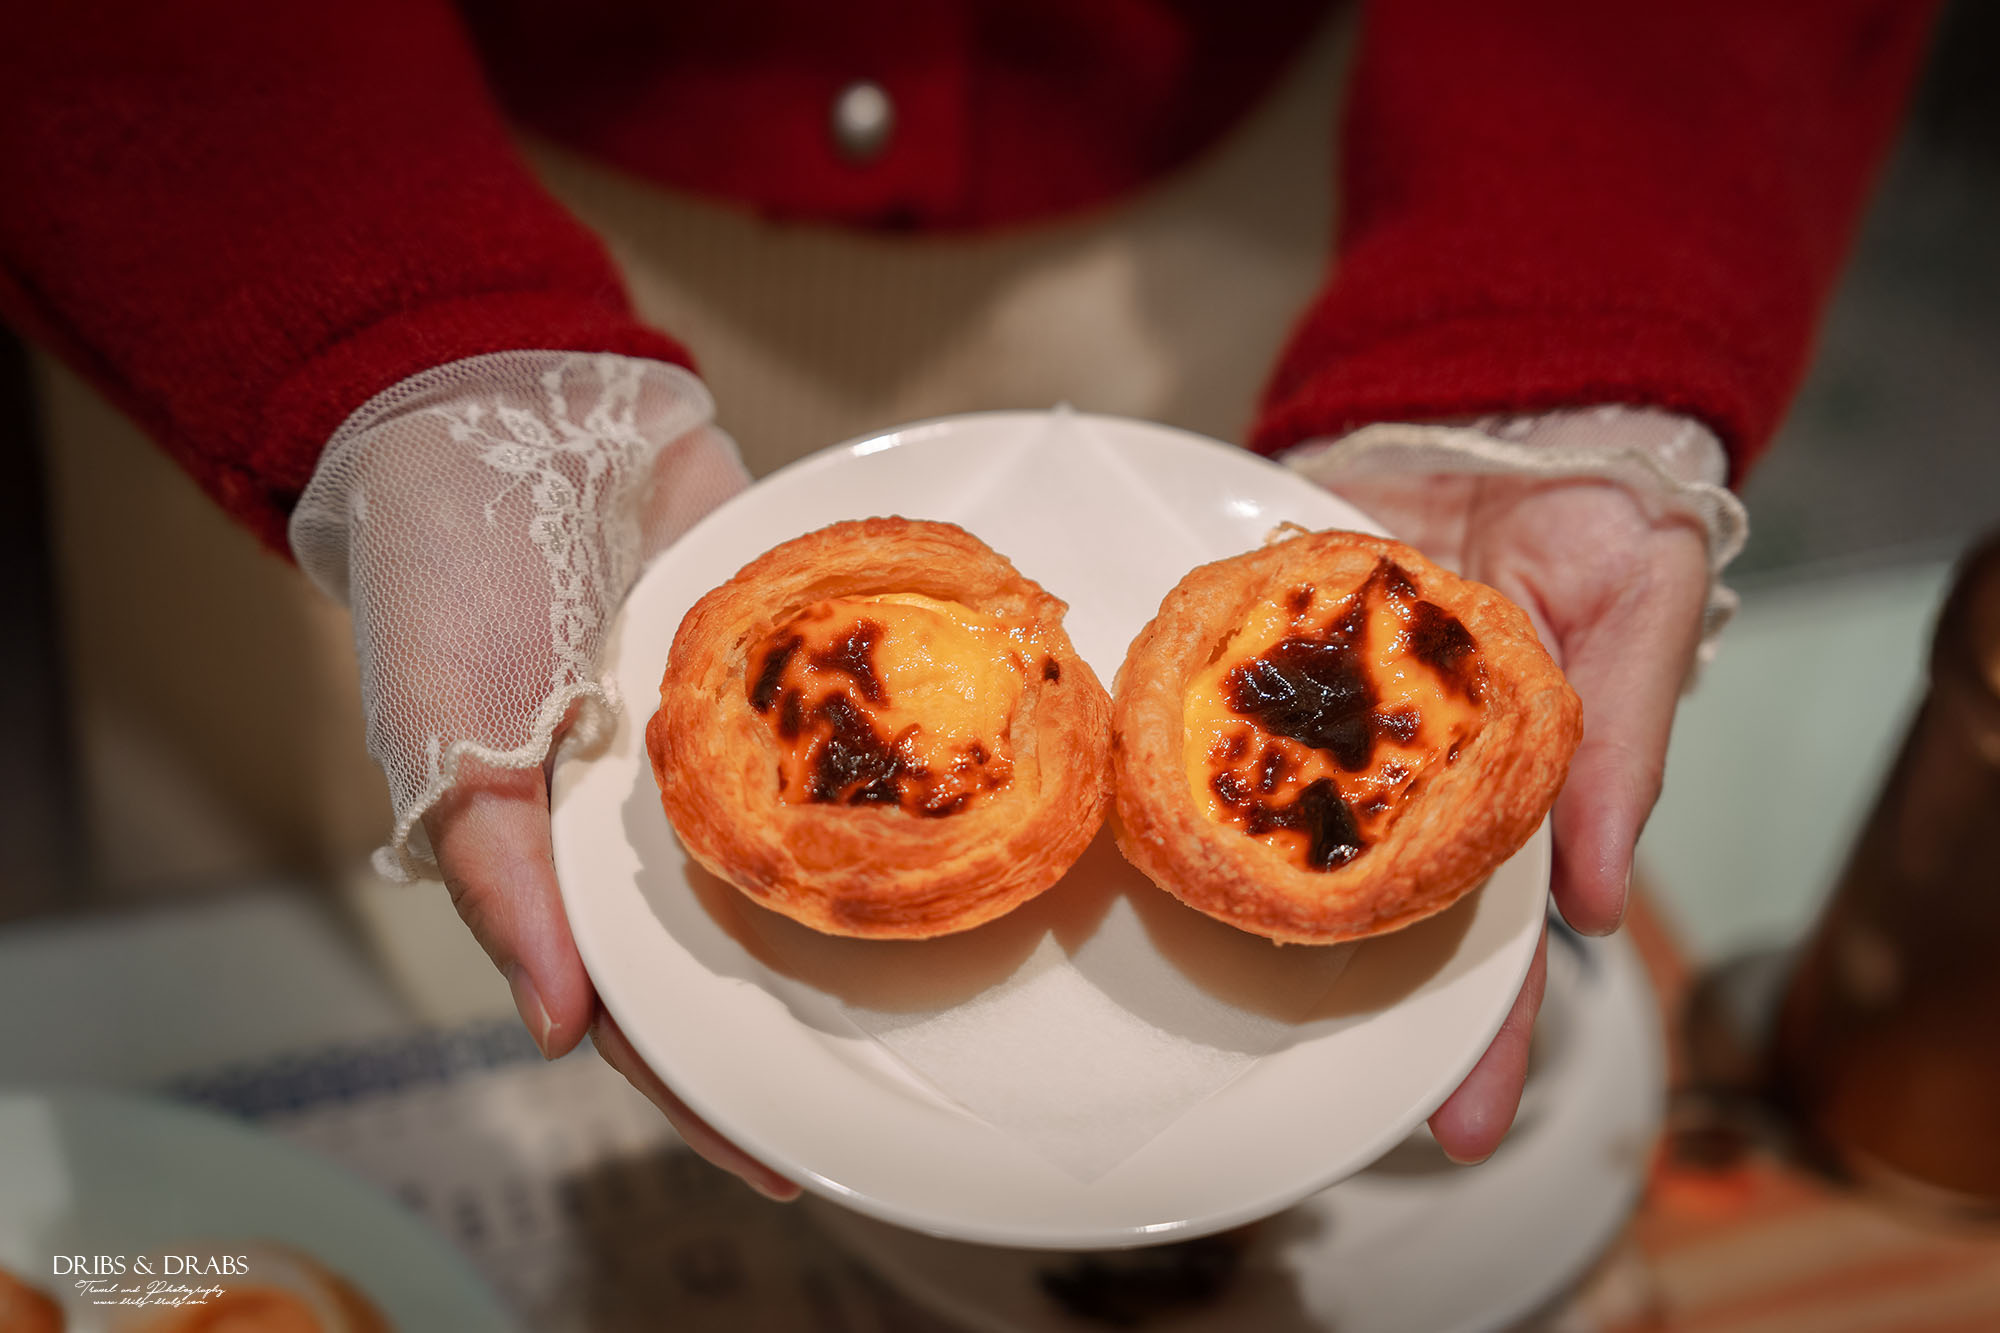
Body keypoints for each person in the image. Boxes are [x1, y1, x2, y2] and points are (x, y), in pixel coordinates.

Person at [0, 0, 1937, 1201]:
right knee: (285, 955)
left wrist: (1566, 288)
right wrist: (373, 332)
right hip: (357, 171)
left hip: (1278, 183)